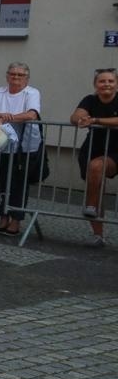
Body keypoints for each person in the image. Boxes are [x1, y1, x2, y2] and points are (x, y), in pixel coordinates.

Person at [0, 62, 42, 237]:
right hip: (3, 145)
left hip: (25, 147)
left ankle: (16, 221)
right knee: (4, 181)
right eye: (12, 74)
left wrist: (8, 118)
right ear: (7, 76)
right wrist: (0, 116)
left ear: (27, 78)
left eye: (20, 75)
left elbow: (31, 114)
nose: (16, 78)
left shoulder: (31, 93)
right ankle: (3, 218)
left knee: (19, 182)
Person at [71, 67, 118, 247]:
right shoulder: (90, 99)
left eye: (110, 81)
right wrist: (81, 118)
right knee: (96, 188)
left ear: (116, 84)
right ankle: (98, 235)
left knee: (97, 166)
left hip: (115, 150)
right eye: (102, 81)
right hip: (92, 148)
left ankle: (89, 207)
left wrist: (96, 120)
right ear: (95, 85)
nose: (106, 84)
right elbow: (76, 116)